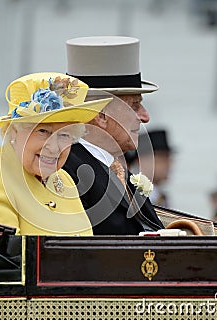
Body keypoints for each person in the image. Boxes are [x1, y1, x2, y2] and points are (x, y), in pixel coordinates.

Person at [0, 72, 112, 236]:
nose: (53, 147)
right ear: (14, 131)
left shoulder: (64, 179)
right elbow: (1, 258)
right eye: (43, 131)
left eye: (64, 135)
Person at [63, 36, 164, 235]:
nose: (145, 117)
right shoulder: (66, 170)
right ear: (101, 116)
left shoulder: (116, 169)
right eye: (135, 105)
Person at [125, 129, 175, 208]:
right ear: (140, 161)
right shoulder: (132, 197)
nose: (169, 163)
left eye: (169, 157)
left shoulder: (160, 197)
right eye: (162, 157)